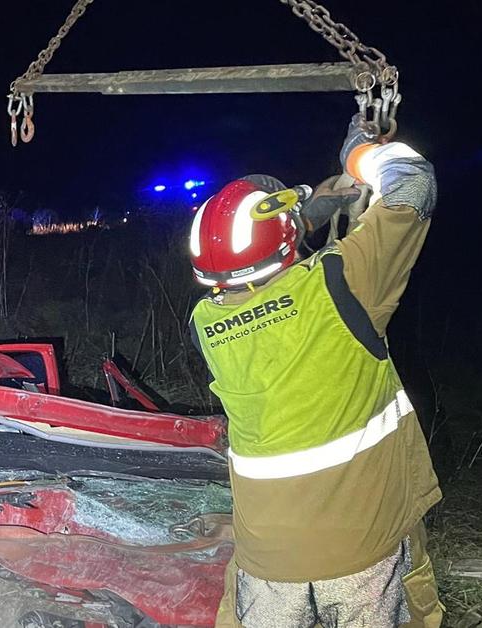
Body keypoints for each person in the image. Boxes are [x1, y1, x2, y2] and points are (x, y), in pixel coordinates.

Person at [187, 116, 442, 627]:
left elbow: (262, 259)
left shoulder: (206, 322)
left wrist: (309, 210)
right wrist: (361, 153)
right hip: (360, 551)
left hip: (267, 561)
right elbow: (415, 182)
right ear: (284, 240)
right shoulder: (342, 281)